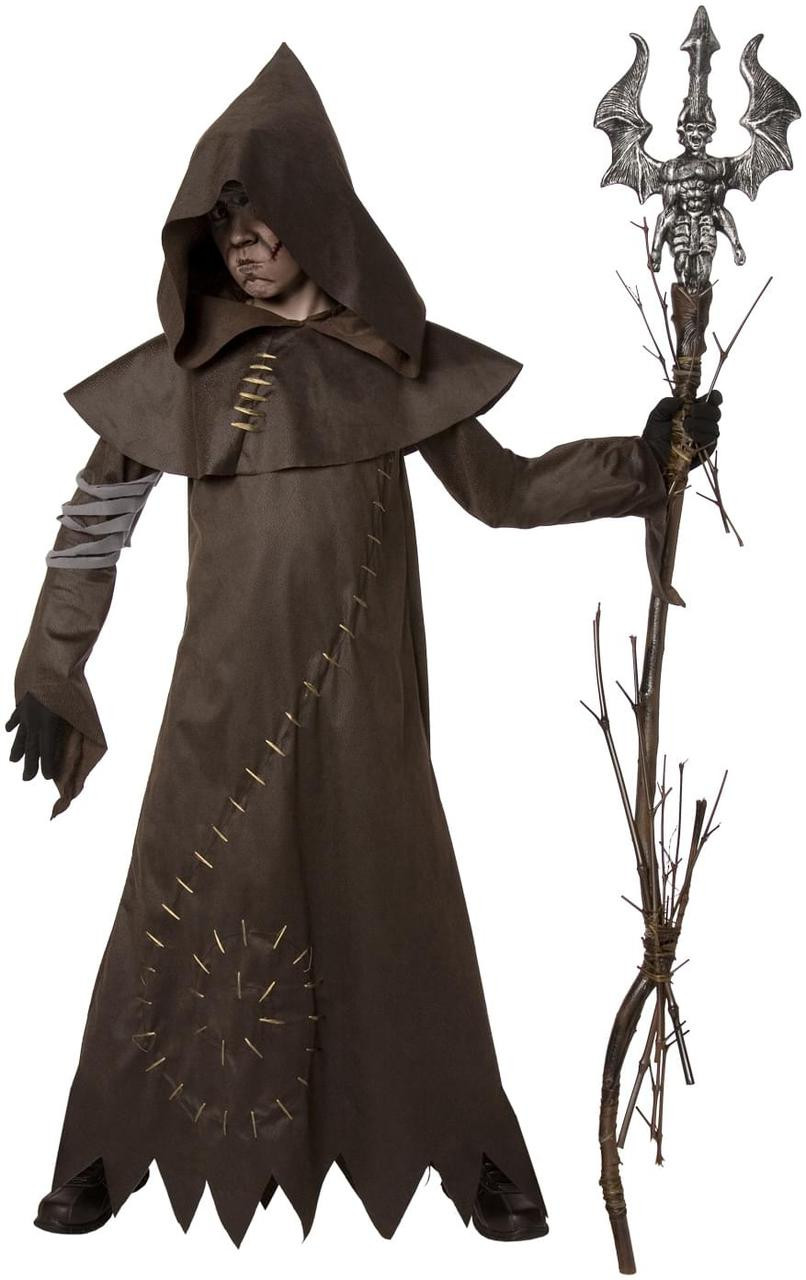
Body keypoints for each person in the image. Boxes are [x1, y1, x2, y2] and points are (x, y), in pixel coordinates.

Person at [6, 43, 719, 1246]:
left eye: (262, 214)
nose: (243, 240)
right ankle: (105, 1148)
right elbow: (95, 523)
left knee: (400, 913)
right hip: (220, 708)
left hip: (361, 705)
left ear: (317, 215)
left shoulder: (392, 360)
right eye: (223, 219)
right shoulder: (179, 376)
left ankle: (475, 1150)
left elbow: (503, 488)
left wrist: (643, 463)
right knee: (173, 908)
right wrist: (51, 662)